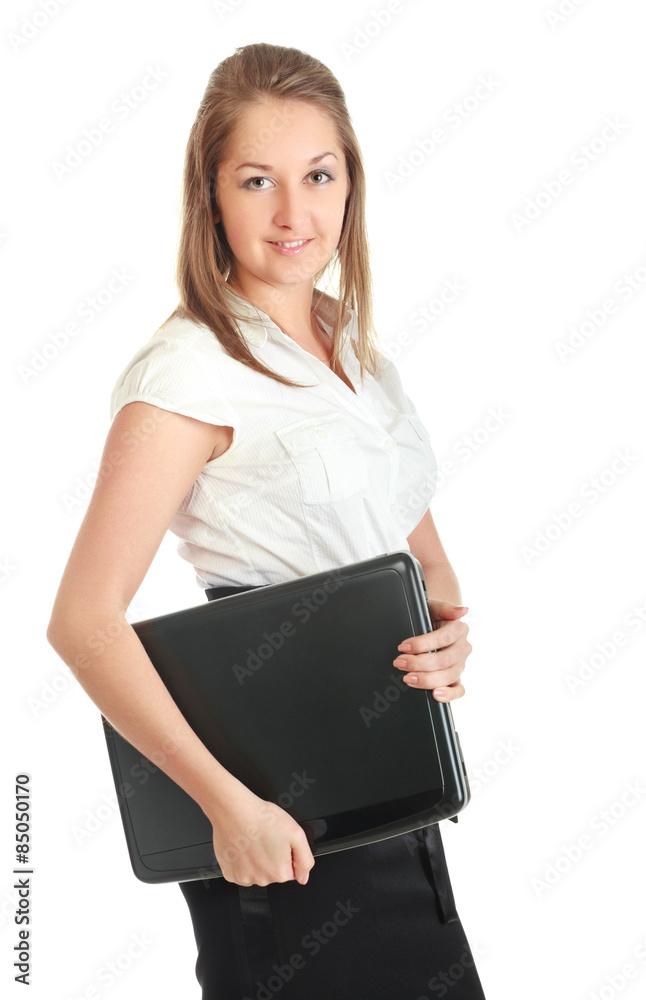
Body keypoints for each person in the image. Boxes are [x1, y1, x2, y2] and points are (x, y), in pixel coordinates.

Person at [47, 42, 487, 1000]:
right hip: (276, 815)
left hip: (397, 785)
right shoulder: (186, 374)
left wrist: (447, 637)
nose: (296, 214)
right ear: (211, 195)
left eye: (319, 176)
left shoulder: (355, 344)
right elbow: (82, 621)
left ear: (350, 185)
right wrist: (228, 806)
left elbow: (420, 553)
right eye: (258, 181)